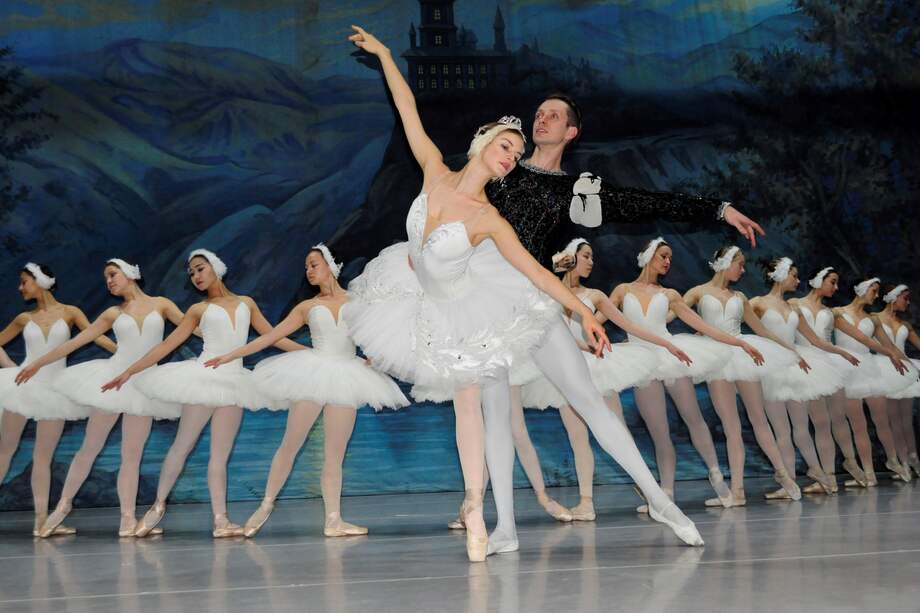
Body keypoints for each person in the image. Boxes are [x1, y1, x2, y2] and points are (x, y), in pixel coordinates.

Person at [346, 26, 702, 561]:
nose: (511, 156)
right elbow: (407, 108)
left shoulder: (490, 219)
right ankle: (505, 528)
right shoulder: (433, 172)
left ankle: (661, 501)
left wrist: (585, 314)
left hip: (507, 298)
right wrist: (386, 57)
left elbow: (537, 276)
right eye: (505, 147)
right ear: (483, 144)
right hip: (456, 311)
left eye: (516, 152)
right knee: (494, 416)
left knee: (589, 404)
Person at [204, 245, 408, 537]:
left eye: (314, 264)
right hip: (314, 373)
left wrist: (375, 356)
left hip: (348, 376)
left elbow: (374, 336)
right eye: (307, 267)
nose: (309, 271)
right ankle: (265, 504)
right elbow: (271, 337)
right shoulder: (306, 308)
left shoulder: (358, 302)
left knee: (335, 454)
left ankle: (334, 520)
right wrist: (229, 355)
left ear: (330, 265)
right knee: (290, 444)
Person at [101, 249, 306, 537]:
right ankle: (158, 505)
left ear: (216, 268)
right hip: (204, 379)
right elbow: (166, 345)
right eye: (192, 273)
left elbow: (274, 337)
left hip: (234, 383)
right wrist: (129, 371)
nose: (196, 276)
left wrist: (316, 353)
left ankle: (221, 520)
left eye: (200, 269)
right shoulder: (198, 310)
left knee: (220, 456)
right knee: (182, 446)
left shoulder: (247, 303)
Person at [15, 258, 185, 537]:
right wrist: (37, 363)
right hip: (111, 382)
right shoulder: (112, 313)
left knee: (132, 455)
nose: (109, 281)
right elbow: (75, 342)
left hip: (143, 384)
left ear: (130, 274)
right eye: (106, 277)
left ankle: (127, 520)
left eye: (112, 274)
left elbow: (191, 328)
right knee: (90, 447)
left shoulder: (162, 304)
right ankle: (63, 506)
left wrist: (224, 344)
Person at [0, 263, 116, 535]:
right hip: (23, 386)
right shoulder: (23, 319)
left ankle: (41, 522)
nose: (20, 287)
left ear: (39, 281)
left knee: (43, 457)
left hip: (54, 390)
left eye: (24, 281)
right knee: (5, 450)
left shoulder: (70, 312)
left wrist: (124, 354)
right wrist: (11, 369)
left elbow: (95, 336)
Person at [685, 246, 804, 502]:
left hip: (744, 354)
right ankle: (737, 491)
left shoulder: (740, 296)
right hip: (717, 359)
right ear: (725, 263)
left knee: (759, 419)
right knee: (732, 427)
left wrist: (790, 350)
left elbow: (761, 330)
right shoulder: (698, 292)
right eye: (739, 263)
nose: (742, 269)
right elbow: (675, 313)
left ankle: (782, 473)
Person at [752, 257, 860, 495]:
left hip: (794, 367)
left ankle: (817, 471)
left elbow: (815, 340)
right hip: (771, 368)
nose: (798, 280)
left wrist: (842, 352)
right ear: (780, 275)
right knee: (782, 430)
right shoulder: (758, 303)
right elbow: (735, 322)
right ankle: (790, 482)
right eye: (794, 275)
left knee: (800, 428)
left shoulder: (793, 308)